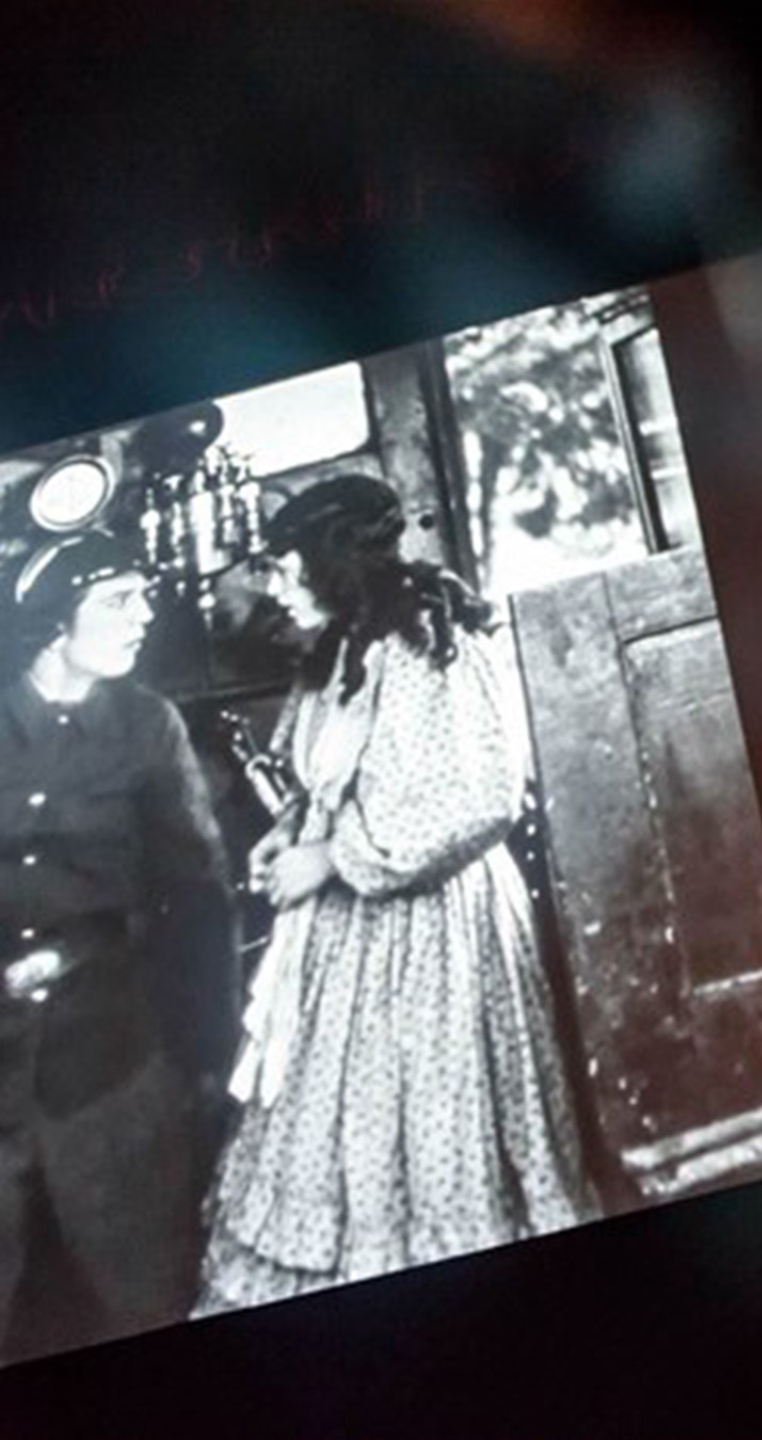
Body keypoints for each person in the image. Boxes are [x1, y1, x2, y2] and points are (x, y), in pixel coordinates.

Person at [198, 475, 594, 1310]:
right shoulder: (330, 657)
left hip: (437, 925)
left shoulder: (440, 646)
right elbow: (317, 782)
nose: (272, 586)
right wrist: (290, 834)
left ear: (331, 563)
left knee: (432, 1119)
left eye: (283, 567)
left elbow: (484, 796)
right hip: (346, 935)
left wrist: (335, 859)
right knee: (330, 1129)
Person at [0, 531, 236, 1358]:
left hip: (113, 1065)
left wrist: (210, 1054)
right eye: (117, 600)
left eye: (145, 594)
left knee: (147, 1298)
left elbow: (200, 900)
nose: (144, 615)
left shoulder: (146, 727)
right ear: (52, 623)